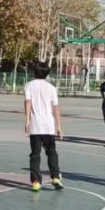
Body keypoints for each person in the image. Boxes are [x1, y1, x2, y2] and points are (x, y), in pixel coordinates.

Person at [25, 62, 64, 191]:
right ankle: (55, 177)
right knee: (51, 152)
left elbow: (28, 103)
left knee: (35, 154)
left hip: (35, 125)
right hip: (49, 126)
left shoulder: (29, 85)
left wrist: (27, 120)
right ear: (47, 73)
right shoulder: (51, 88)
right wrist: (59, 126)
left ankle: (36, 182)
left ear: (34, 72)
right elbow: (56, 108)